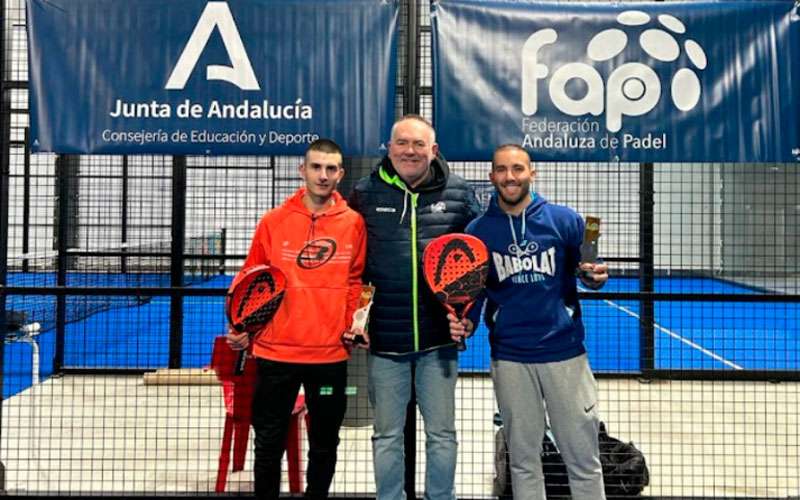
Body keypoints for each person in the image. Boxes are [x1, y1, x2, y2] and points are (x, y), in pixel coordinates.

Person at [450, 144, 609, 500]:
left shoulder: (565, 220)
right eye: (503, 170)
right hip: (510, 358)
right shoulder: (478, 231)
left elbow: (585, 271)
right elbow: (474, 293)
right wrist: (468, 324)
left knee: (583, 459)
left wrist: (595, 277)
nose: (510, 177)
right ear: (492, 176)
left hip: (564, 354)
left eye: (518, 169)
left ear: (531, 173)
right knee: (523, 462)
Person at [346, 114, 480, 500]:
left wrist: (466, 317)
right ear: (389, 148)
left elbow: (476, 261)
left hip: (439, 343)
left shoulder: (459, 194)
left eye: (418, 144)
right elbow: (353, 265)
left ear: (433, 150)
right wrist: (356, 317)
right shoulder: (364, 192)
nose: (410, 150)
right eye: (402, 143)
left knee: (441, 434)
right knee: (387, 435)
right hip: (386, 341)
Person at [226, 138, 367, 500]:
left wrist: (353, 323)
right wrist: (239, 327)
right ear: (302, 170)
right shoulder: (274, 221)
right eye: (316, 167)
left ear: (341, 173)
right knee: (269, 443)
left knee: (325, 442)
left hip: (329, 358)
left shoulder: (353, 223)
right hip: (276, 356)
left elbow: (355, 281)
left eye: (331, 168)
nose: (323, 175)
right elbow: (250, 278)